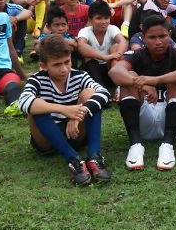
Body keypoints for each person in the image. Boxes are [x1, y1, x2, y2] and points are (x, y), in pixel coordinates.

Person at [109, 15, 176, 171]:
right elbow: (115, 72)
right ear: (143, 38)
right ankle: (135, 145)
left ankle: (167, 145)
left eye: (162, 36)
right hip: (145, 116)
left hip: (173, 119)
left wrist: (153, 80)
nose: (158, 42)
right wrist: (140, 84)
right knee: (129, 78)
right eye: (152, 37)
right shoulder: (137, 54)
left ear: (169, 35)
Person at [19, 35, 111, 186]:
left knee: (89, 93)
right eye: (56, 65)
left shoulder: (80, 75)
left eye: (67, 62)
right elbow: (23, 102)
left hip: (75, 132)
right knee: (35, 105)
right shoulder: (37, 79)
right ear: (43, 66)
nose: (63, 69)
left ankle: (94, 156)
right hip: (46, 139)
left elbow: (104, 94)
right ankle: (73, 160)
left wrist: (76, 115)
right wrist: (64, 110)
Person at [77, 0, 128, 93]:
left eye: (106, 18)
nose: (103, 22)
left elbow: (123, 42)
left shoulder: (112, 29)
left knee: (115, 48)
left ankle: (119, 89)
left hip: (109, 69)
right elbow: (81, 47)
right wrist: (105, 57)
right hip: (92, 70)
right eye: (99, 18)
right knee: (89, 57)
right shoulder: (85, 31)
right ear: (90, 20)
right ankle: (101, 89)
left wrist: (117, 54)